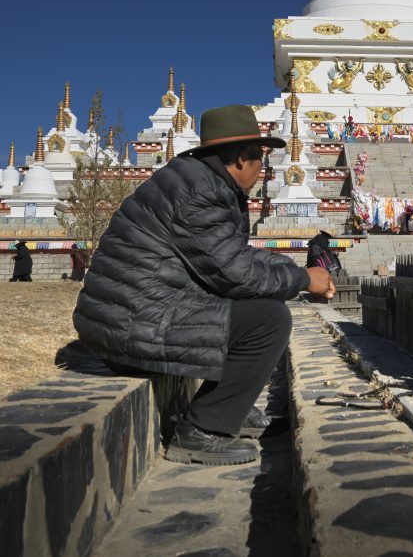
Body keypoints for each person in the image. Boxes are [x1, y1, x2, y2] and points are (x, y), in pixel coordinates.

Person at [73, 105, 336, 466]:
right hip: (131, 324)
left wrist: (296, 271)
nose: (263, 171)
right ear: (243, 158)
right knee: (269, 319)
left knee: (257, 308)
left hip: (129, 316)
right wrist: (305, 279)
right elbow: (235, 273)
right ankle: (201, 430)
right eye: (261, 160)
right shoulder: (201, 192)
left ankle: (230, 409)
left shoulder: (198, 180)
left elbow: (233, 255)